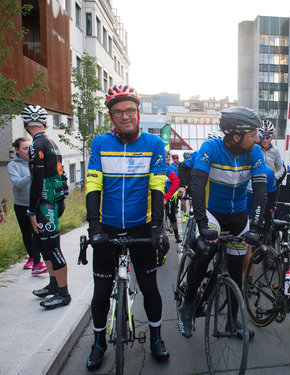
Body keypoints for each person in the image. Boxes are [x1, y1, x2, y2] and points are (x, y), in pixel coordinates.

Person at [84, 84, 170, 370]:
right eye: (118, 112)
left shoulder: (154, 144)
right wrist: (94, 224)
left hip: (141, 226)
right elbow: (94, 183)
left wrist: (157, 227)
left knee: (150, 288)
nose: (125, 116)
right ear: (111, 116)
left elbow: (158, 186)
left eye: (130, 110)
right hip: (106, 228)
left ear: (138, 113)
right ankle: (98, 343)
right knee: (100, 292)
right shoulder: (100, 143)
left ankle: (156, 338)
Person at [177, 107, 266, 339]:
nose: (258, 138)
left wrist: (256, 228)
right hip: (213, 213)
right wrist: (202, 223)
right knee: (206, 248)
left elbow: (260, 191)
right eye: (253, 134)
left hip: (238, 216)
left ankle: (232, 322)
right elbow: (197, 186)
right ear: (236, 136)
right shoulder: (211, 148)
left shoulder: (255, 152)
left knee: (237, 270)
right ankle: (188, 303)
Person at [21, 105, 71, 309]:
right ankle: (53, 285)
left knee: (53, 248)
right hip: (55, 201)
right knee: (44, 247)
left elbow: (37, 181)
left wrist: (32, 211)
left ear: (25, 125)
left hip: (46, 204)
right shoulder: (50, 142)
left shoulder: (36, 145)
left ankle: (64, 293)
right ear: (46, 123)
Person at [7, 138, 47, 274]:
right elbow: (17, 183)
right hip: (21, 204)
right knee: (26, 232)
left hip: (35, 204)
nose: (28, 151)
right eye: (24, 148)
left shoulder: (36, 161)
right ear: (17, 150)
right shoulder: (13, 165)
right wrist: (32, 174)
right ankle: (32, 257)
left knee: (36, 231)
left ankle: (37, 261)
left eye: (29, 148)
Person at [164, 151, 181, 243]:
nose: (168, 158)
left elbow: (176, 182)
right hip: (161, 195)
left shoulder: (173, 168)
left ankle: (176, 234)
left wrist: (173, 194)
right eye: (166, 157)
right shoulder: (158, 167)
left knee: (172, 217)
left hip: (171, 195)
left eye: (168, 157)